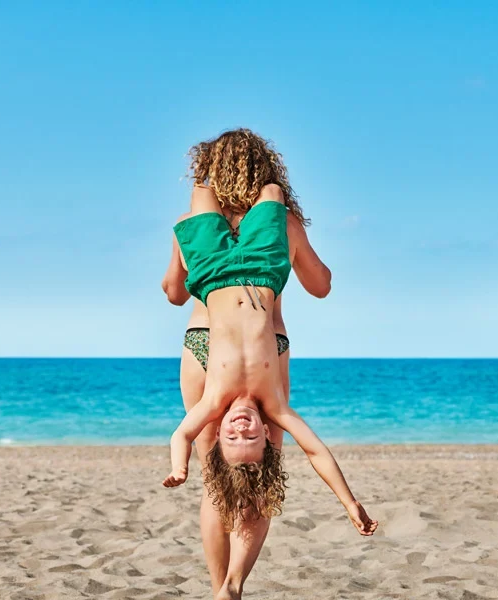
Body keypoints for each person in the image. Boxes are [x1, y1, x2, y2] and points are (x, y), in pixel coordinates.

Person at [161, 130, 376, 600]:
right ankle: (232, 585)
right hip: (265, 331)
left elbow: (175, 294)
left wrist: (185, 264)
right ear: (266, 166)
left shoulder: (189, 219)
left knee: (215, 481)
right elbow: (321, 286)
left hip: (202, 337)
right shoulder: (282, 222)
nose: (240, 428)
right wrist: (349, 502)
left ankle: (223, 586)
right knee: (252, 477)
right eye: (247, 433)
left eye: (235, 434)